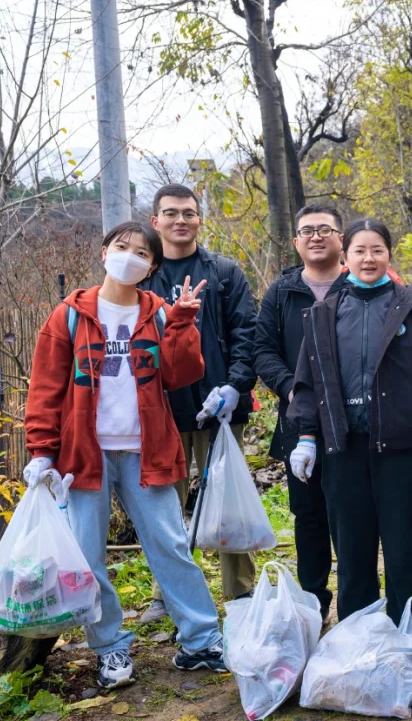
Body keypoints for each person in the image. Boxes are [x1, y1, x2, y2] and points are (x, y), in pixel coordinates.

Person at [24, 221, 226, 689]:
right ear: (103, 252)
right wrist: (41, 451)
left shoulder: (158, 313)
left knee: (171, 546)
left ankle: (201, 640)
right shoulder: (70, 316)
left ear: (152, 266)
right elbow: (46, 388)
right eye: (122, 247)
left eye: (141, 253)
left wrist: (181, 323)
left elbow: (181, 375)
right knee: (89, 559)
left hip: (146, 451)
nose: (129, 257)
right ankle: (110, 648)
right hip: (82, 457)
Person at [287, 218, 412, 624]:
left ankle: (406, 636)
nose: (368, 258)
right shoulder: (325, 312)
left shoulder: (411, 307)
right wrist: (306, 436)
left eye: (377, 250)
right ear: (345, 254)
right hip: (344, 450)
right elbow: (310, 380)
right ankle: (357, 638)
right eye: (360, 250)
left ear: (388, 255)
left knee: (404, 550)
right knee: (352, 550)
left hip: (401, 450)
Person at [136, 183, 258, 618]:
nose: (180, 221)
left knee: (228, 499)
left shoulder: (224, 273)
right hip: (161, 407)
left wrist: (236, 386)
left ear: (199, 219)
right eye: (171, 214)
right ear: (156, 221)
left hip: (219, 406)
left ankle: (239, 590)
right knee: (163, 504)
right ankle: (165, 593)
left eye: (188, 213)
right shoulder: (141, 276)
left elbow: (249, 335)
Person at [254, 202, 347, 619]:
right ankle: (314, 600)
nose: (315, 236)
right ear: (296, 241)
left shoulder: (359, 285)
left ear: (340, 238)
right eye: (307, 230)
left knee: (351, 512)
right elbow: (263, 350)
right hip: (298, 421)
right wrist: (294, 390)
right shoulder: (282, 292)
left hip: (353, 420)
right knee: (308, 514)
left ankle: (357, 598)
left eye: (325, 228)